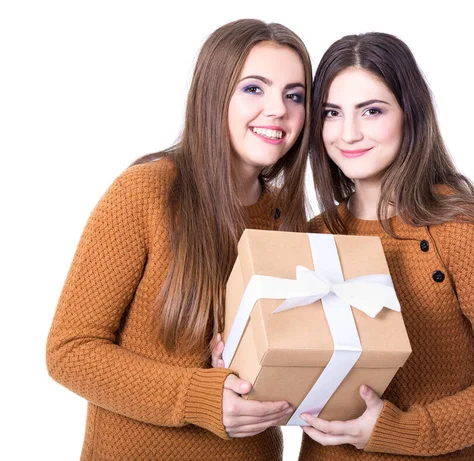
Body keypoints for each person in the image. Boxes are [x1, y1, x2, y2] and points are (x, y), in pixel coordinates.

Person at [46, 19, 311, 461]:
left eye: (294, 95)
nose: (277, 109)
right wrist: (198, 396)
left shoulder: (289, 217)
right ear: (213, 94)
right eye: (254, 88)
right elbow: (69, 352)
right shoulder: (145, 192)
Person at [299, 32, 474, 460]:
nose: (348, 133)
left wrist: (406, 430)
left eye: (372, 111)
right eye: (331, 113)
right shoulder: (312, 236)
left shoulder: (460, 228)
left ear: (410, 114)